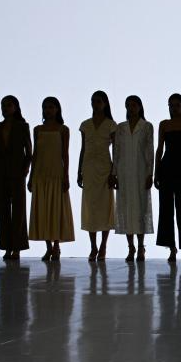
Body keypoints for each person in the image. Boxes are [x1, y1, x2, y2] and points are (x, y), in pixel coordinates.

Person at [28, 96, 75, 261]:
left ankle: (56, 246)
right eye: (46, 107)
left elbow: (65, 154)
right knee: (43, 210)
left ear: (57, 109)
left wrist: (66, 176)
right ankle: (48, 247)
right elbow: (35, 154)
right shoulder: (37, 129)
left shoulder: (63, 129)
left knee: (55, 210)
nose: (48, 110)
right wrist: (31, 176)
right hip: (40, 174)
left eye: (51, 107)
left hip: (56, 173)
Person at [112, 95, 154, 262]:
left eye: (134, 105)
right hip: (124, 173)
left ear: (140, 107)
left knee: (140, 209)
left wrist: (150, 173)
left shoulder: (146, 126)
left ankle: (141, 247)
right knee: (126, 209)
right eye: (128, 105)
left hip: (141, 172)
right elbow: (116, 151)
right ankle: (131, 247)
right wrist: (114, 173)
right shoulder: (120, 128)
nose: (131, 108)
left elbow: (149, 151)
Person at [154, 93, 181, 263]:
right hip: (166, 167)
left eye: (177, 105)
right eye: (171, 105)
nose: (174, 108)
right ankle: (171, 247)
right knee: (166, 210)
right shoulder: (164, 124)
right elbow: (159, 149)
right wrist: (156, 171)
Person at [0, 95, 32, 260]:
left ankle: (17, 248)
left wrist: (26, 168)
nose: (5, 108)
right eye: (3, 105)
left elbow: (29, 151)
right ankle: (6, 247)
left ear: (15, 107)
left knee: (18, 211)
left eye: (8, 105)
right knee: (2, 211)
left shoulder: (22, 126)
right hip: (0, 172)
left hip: (17, 172)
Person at [77, 90, 117, 261]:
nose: (95, 104)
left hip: (105, 168)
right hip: (88, 168)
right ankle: (93, 246)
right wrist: (79, 171)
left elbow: (116, 150)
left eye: (99, 101)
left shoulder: (111, 124)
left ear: (105, 103)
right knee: (90, 207)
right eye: (93, 101)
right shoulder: (85, 125)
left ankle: (103, 246)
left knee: (105, 207)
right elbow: (83, 149)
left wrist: (114, 172)